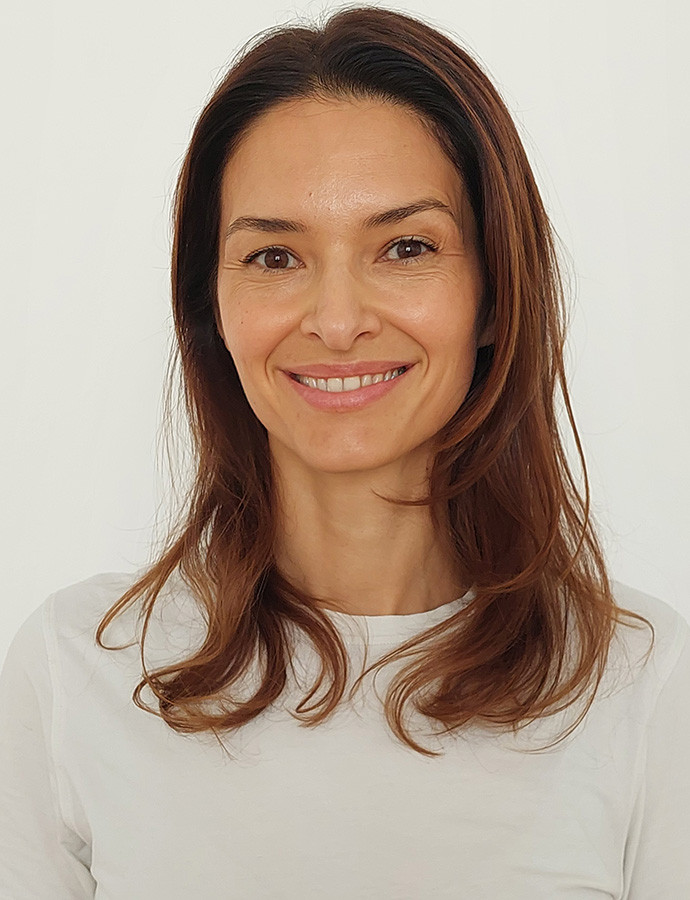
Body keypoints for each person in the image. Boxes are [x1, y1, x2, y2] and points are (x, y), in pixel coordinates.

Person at [1, 5, 688, 898]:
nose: (335, 321)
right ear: (212, 305)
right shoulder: (74, 674)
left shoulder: (644, 685)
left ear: (493, 295)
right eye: (274, 257)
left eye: (405, 247)